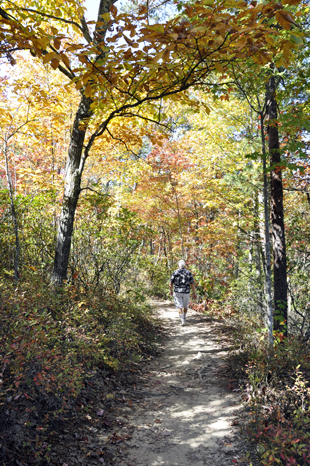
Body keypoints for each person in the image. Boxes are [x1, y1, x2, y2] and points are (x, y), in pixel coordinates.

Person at [170, 260, 197, 325]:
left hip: (177, 292)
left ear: (178, 265)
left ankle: (182, 320)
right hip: (186, 292)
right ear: (184, 265)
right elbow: (192, 284)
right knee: (185, 305)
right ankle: (184, 318)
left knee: (179, 306)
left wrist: (171, 290)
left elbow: (171, 283)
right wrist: (194, 293)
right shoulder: (188, 273)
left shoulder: (175, 272)